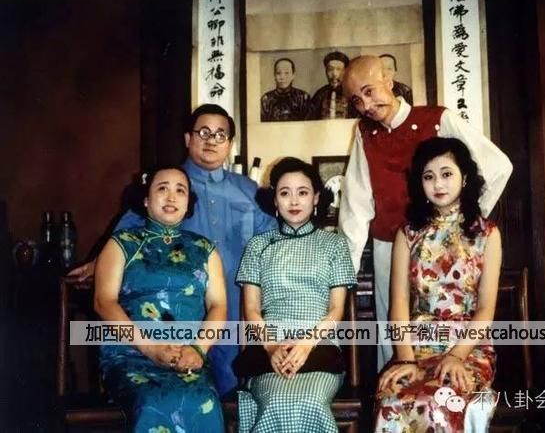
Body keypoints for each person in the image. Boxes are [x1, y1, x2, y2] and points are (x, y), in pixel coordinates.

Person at [69, 104, 276, 397]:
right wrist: (99, 263)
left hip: (234, 303)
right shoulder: (169, 183)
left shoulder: (248, 190)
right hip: (178, 308)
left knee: (233, 389)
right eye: (203, 132)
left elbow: (274, 238)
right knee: (183, 384)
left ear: (230, 144)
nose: (211, 140)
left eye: (220, 134)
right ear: (187, 138)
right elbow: (126, 234)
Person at [338, 55, 512, 370]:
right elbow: (356, 205)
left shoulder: (438, 118)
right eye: (356, 101)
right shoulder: (364, 133)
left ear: (389, 80)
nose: (366, 106)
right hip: (389, 246)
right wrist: (344, 273)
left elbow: (498, 166)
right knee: (393, 342)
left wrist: (463, 223)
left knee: (454, 330)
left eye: (369, 91)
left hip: (448, 249)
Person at [374, 137, 502, 432]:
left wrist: (457, 356)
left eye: (446, 174)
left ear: (464, 178)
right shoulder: (408, 234)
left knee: (441, 400)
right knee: (393, 399)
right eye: (429, 176)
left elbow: (485, 309)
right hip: (416, 347)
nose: (438, 184)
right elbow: (399, 303)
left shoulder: (487, 234)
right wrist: (405, 360)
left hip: (468, 348)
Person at [95, 166, 226, 432]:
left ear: (188, 203)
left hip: (187, 355)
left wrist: (198, 349)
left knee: (204, 400)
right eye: (162, 188)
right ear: (146, 199)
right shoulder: (122, 243)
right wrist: (151, 349)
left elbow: (218, 305)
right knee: (153, 401)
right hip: (130, 354)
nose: (171, 196)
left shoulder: (205, 249)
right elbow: (103, 302)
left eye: (180, 190)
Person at [234, 157, 357, 433]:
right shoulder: (257, 246)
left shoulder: (335, 244)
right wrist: (271, 347)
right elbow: (251, 310)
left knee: (310, 399)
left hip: (320, 346)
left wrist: (306, 344)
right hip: (269, 347)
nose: (293, 201)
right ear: (274, 200)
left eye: (302, 192)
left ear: (316, 198)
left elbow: (336, 310)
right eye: (284, 193)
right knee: (277, 399)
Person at [307, 51, 357, 120]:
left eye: (338, 69)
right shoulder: (320, 94)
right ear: (326, 71)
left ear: (345, 71)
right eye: (330, 69)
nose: (334, 74)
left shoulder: (352, 94)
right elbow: (310, 119)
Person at [261, 57, 310, 122]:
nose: (282, 77)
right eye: (278, 73)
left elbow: (307, 125)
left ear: (293, 75)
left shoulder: (303, 97)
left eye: (286, 73)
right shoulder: (266, 99)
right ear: (274, 76)